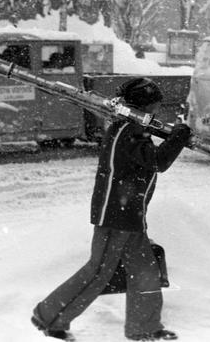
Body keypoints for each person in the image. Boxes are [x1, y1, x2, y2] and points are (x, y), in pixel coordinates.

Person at [31, 77, 192, 341]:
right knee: (98, 272)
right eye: (154, 106)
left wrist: (173, 137)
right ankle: (49, 316)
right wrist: (179, 137)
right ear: (144, 106)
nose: (157, 112)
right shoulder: (128, 131)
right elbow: (157, 161)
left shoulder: (131, 128)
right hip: (116, 216)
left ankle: (145, 329)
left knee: (145, 272)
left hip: (131, 217)